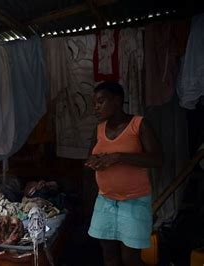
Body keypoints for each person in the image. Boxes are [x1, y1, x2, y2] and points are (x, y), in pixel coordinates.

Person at [85, 81, 162, 266]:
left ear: (117, 101)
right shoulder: (98, 129)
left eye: (100, 101)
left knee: (130, 259)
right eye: (94, 103)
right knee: (109, 256)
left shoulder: (139, 124)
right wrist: (94, 162)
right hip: (105, 201)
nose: (96, 107)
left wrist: (119, 157)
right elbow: (89, 158)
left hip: (134, 201)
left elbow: (157, 160)